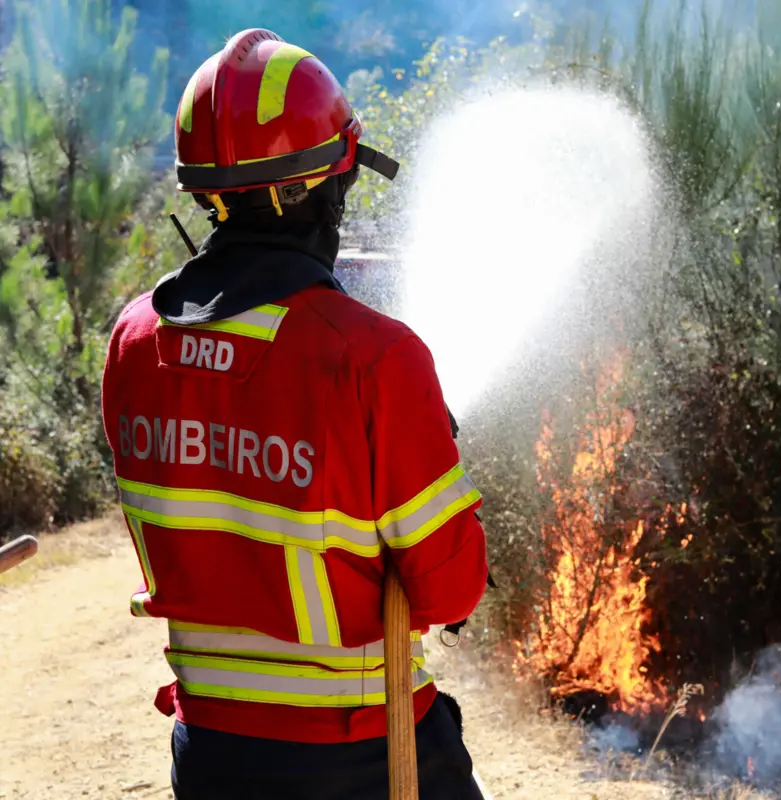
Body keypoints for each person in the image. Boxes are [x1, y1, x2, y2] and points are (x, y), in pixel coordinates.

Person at [100, 28, 490, 800]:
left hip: (209, 752)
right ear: (324, 187)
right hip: (364, 754)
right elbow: (449, 592)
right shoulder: (370, 356)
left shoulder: (133, 340)